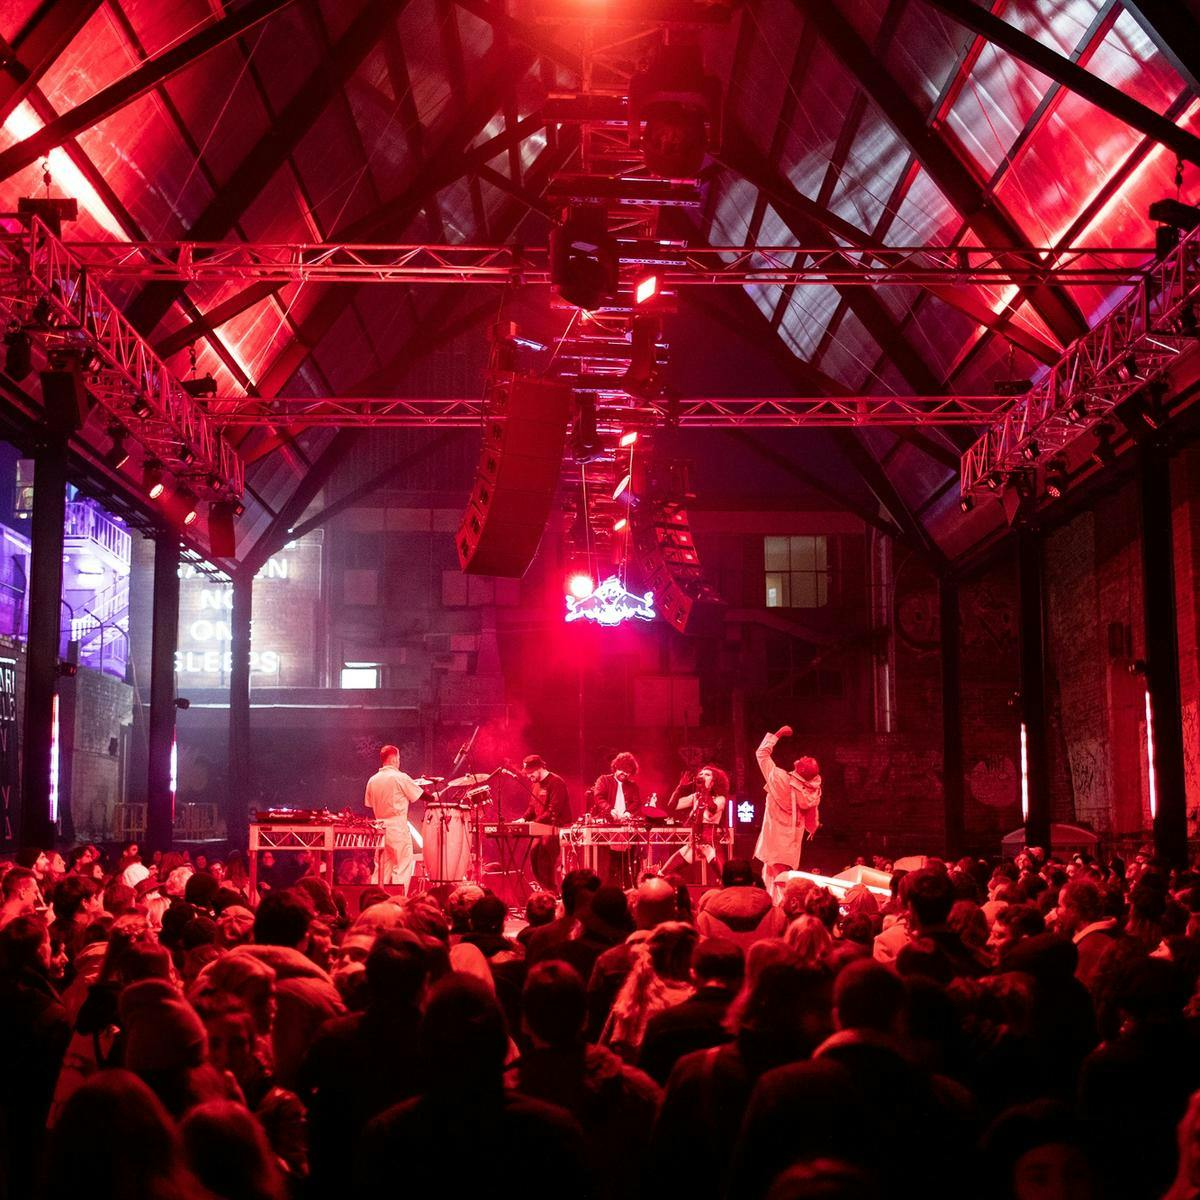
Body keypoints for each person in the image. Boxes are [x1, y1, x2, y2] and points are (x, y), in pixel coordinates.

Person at [754, 726, 821, 893]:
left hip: (776, 841)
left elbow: (761, 754)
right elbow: (812, 814)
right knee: (773, 881)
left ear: (803, 770)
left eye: (806, 760)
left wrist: (778, 734)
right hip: (791, 844)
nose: (804, 756)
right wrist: (812, 826)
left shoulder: (781, 780)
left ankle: (788, 909)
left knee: (781, 884)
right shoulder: (812, 790)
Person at [363, 744, 428, 891]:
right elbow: (420, 795)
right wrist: (434, 798)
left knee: (381, 868)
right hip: (397, 826)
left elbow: (369, 804)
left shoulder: (372, 780)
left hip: (379, 827)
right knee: (403, 865)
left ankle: (374, 899)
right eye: (399, 758)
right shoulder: (400, 777)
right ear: (394, 759)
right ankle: (399, 900)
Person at [661, 766, 730, 880]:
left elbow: (712, 809)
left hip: (710, 845)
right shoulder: (696, 797)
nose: (702, 776)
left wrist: (705, 791)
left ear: (713, 782)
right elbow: (672, 805)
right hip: (694, 844)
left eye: (707, 775)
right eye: (701, 774)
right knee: (663, 874)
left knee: (725, 878)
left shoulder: (720, 798)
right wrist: (680, 787)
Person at [520, 754, 572, 893]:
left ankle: (552, 892)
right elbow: (532, 807)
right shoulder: (535, 785)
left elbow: (553, 810)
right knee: (534, 857)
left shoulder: (556, 782)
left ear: (540, 768)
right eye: (527, 773)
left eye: (531, 773)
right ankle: (546, 890)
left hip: (556, 828)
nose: (529, 776)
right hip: (540, 828)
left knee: (544, 857)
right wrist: (523, 819)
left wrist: (533, 823)